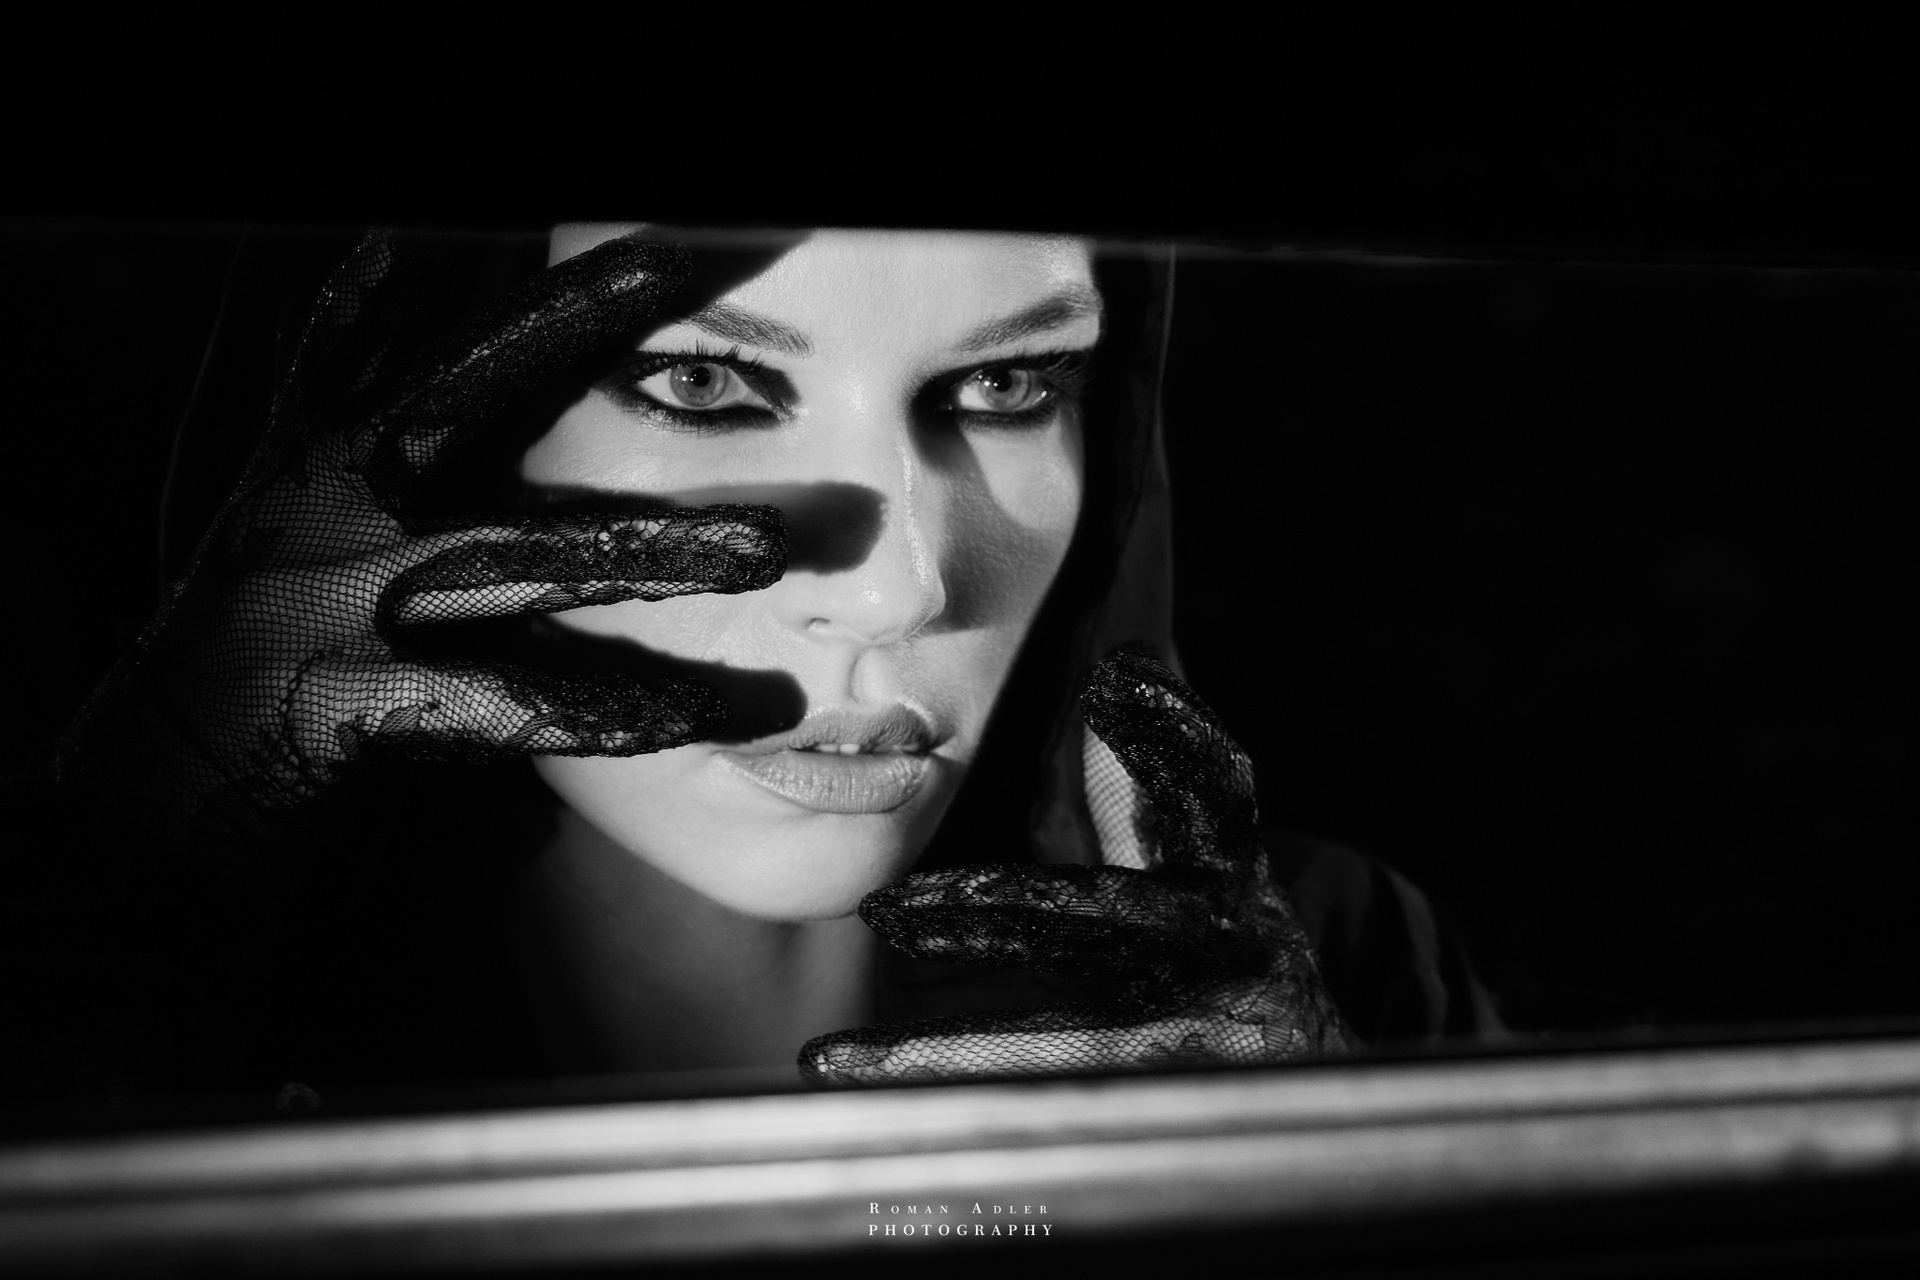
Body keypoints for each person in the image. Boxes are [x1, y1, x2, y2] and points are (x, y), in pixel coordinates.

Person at [12, 223, 1495, 1116]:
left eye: (1004, 384)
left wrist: (1340, 1189)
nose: (901, 588)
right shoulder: (178, 1020)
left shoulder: (1340, 961)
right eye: (700, 380)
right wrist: (94, 933)